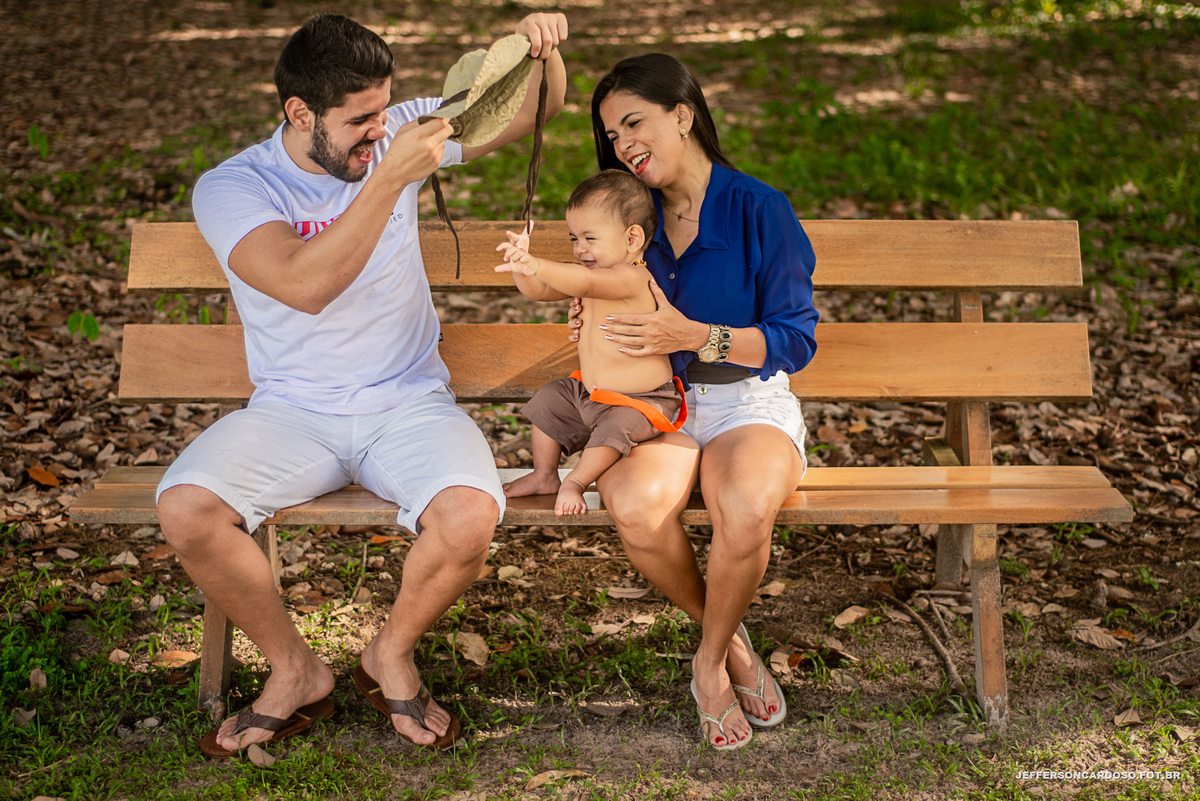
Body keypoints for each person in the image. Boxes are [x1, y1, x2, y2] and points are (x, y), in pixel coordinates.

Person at [156, 11, 567, 755]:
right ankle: (295, 669)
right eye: (358, 121)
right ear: (299, 113)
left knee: (471, 517)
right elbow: (304, 285)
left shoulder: (398, 128)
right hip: (291, 412)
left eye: (384, 110)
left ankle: (390, 653)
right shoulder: (235, 187)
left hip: (408, 403)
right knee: (186, 510)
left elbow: (537, 107)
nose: (378, 132)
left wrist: (540, 49)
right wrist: (391, 178)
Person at [574, 53, 818, 750]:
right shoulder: (626, 216)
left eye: (634, 123)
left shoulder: (759, 208)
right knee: (635, 507)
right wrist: (592, 318)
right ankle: (733, 643)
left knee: (744, 505)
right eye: (612, 134)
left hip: (747, 402)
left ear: (682, 115)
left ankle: (707, 664)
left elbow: (795, 339)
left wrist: (697, 335)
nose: (623, 144)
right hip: (657, 405)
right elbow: (598, 292)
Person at [495, 170, 685, 516]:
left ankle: (576, 482)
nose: (579, 248)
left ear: (632, 238)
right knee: (550, 398)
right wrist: (522, 266)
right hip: (590, 394)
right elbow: (540, 291)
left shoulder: (631, 277)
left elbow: (584, 282)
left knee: (616, 427)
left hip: (640, 402)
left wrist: (537, 264)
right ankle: (544, 474)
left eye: (590, 238)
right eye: (574, 238)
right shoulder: (591, 276)